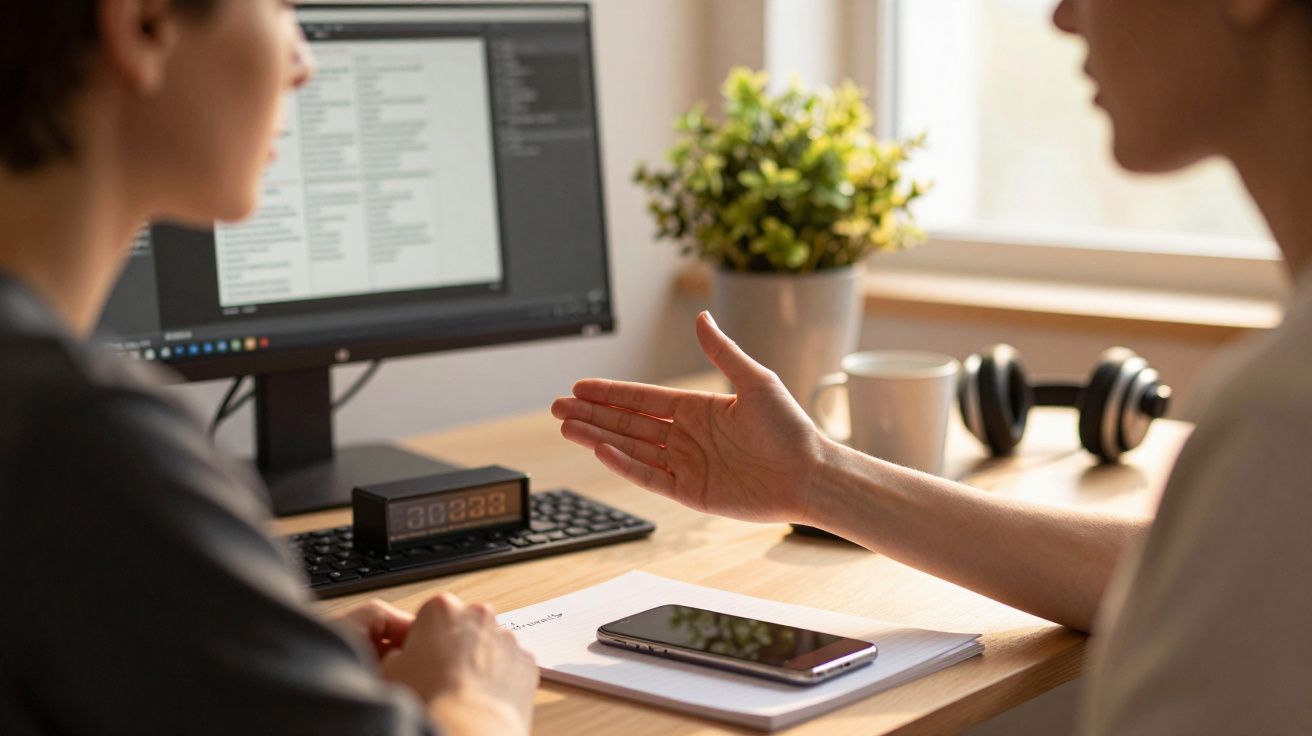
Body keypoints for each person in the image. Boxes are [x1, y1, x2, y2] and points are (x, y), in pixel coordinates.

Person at [553, 0, 1312, 733]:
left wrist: (472, 712)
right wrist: (813, 478)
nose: (1062, 15)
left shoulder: (1281, 414)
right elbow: (1181, 577)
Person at [0, 1, 537, 734]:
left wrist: (266, 661)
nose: (304, 64)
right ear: (144, 25)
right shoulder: (82, 443)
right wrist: (480, 697)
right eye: (283, 9)